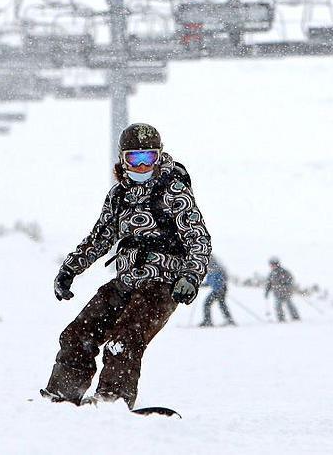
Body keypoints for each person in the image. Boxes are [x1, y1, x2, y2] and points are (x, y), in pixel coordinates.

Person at [41, 123, 212, 409]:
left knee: (124, 339)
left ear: (160, 157)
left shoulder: (174, 192)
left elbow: (198, 238)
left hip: (163, 283)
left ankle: (112, 398)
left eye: (149, 158)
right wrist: (70, 269)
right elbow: (100, 237)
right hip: (127, 280)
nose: (142, 166)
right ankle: (62, 394)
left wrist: (191, 276)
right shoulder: (119, 196)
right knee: (78, 333)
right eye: (135, 159)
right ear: (123, 158)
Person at [199, 256, 235, 327]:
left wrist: (221, 289)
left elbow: (222, 280)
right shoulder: (210, 270)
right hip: (217, 290)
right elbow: (209, 283)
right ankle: (229, 320)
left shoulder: (217, 268)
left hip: (220, 290)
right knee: (221, 304)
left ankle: (208, 321)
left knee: (207, 303)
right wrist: (199, 285)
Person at [264, 258, 299, 322]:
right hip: (277, 293)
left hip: (286, 292)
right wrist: (267, 291)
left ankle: (295, 317)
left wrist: (285, 284)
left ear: (277, 264)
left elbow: (290, 279)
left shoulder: (284, 271)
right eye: (271, 265)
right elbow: (269, 284)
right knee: (278, 306)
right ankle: (281, 319)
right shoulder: (271, 274)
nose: (272, 266)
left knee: (289, 304)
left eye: (273, 265)